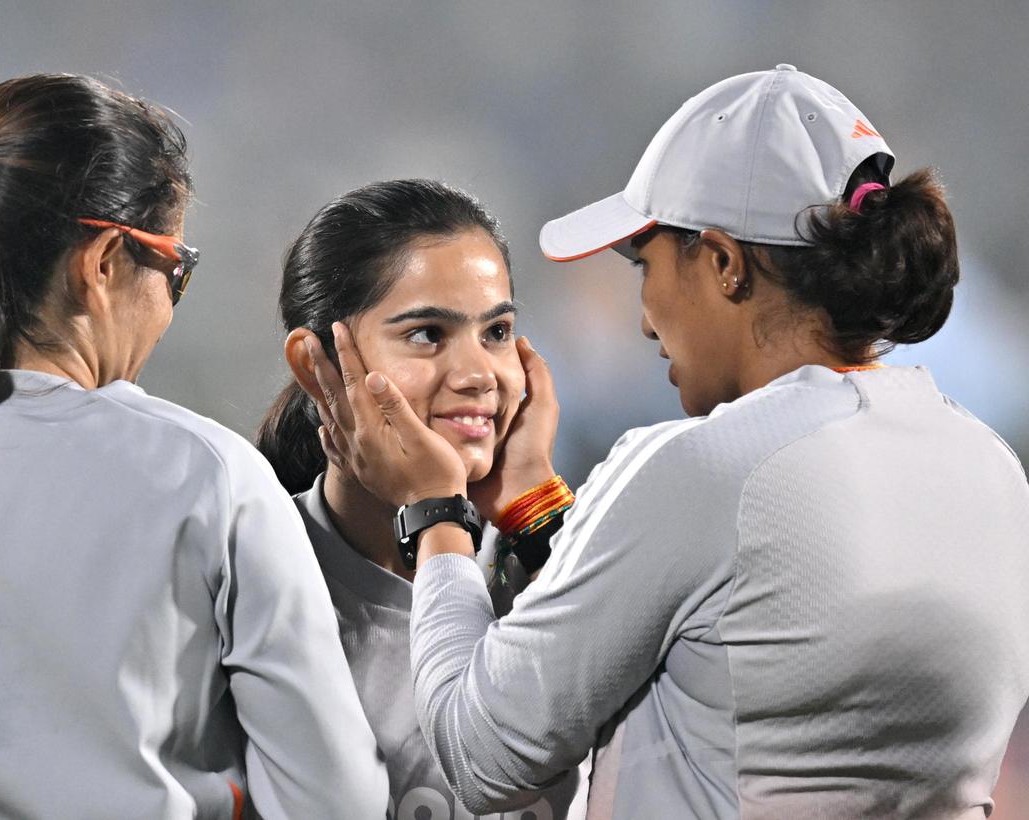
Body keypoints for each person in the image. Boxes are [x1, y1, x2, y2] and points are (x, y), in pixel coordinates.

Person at [308, 66, 1029, 818]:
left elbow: (480, 755)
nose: (645, 320)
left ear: (722, 264)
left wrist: (435, 509)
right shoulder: (993, 471)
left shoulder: (698, 469)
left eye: (645, 264)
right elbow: (700, 629)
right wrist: (531, 506)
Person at [0, 74, 387, 820]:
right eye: (176, 269)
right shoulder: (207, 478)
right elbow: (336, 803)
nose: (169, 304)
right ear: (102, 264)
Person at [256, 179, 582, 818]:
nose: (479, 375)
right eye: (428, 334)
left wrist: (537, 514)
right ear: (316, 365)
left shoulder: (548, 561)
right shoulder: (249, 578)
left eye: (497, 331)